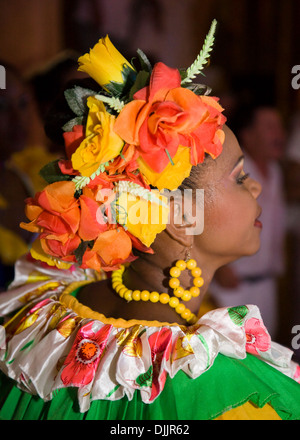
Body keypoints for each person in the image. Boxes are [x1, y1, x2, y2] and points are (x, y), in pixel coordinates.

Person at [0, 25, 300, 421]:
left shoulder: (42, 327)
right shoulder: (218, 387)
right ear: (180, 217)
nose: (258, 187)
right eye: (240, 177)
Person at [209, 104, 287, 338]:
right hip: (232, 285)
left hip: (266, 283)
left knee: (266, 353)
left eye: (280, 127)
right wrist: (220, 266)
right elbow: (210, 214)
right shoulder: (230, 170)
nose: (279, 135)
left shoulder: (275, 171)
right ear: (248, 135)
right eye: (270, 127)